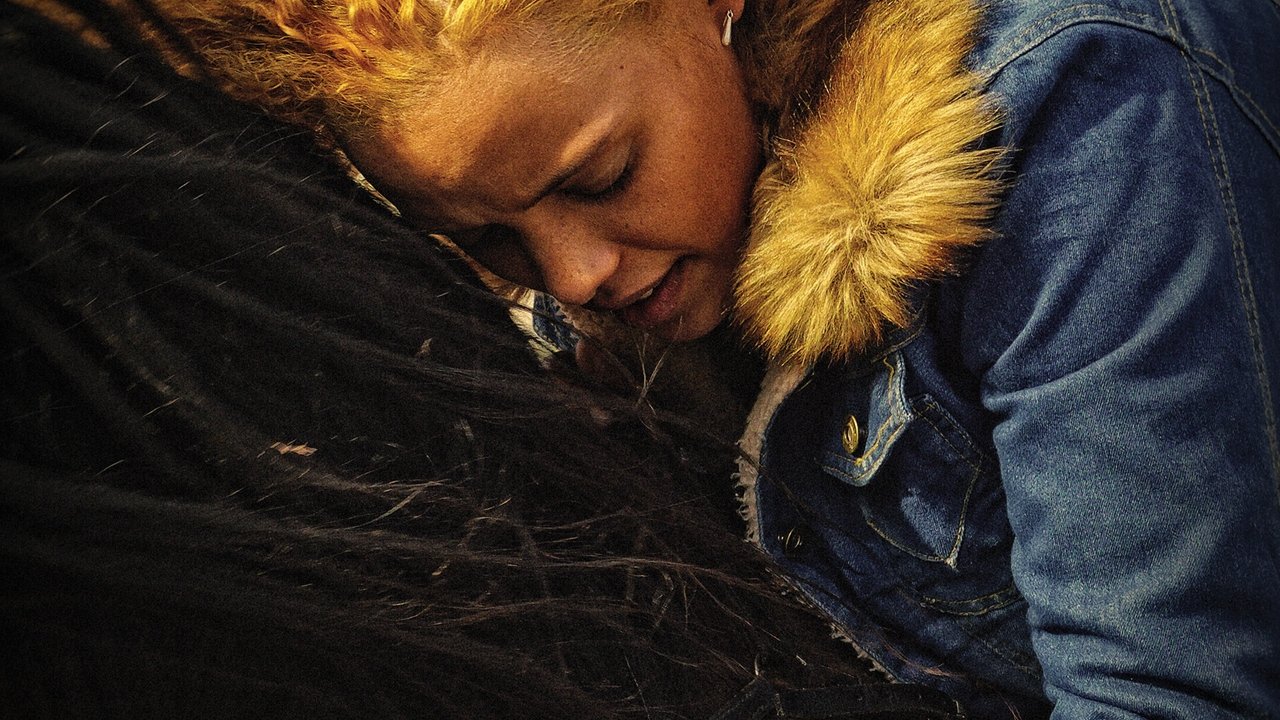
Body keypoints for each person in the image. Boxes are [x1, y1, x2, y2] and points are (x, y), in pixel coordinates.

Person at [54, 0, 1280, 717]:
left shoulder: (1069, 93)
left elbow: (1169, 684)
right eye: (488, 240)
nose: (572, 275)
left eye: (599, 177)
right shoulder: (605, 299)